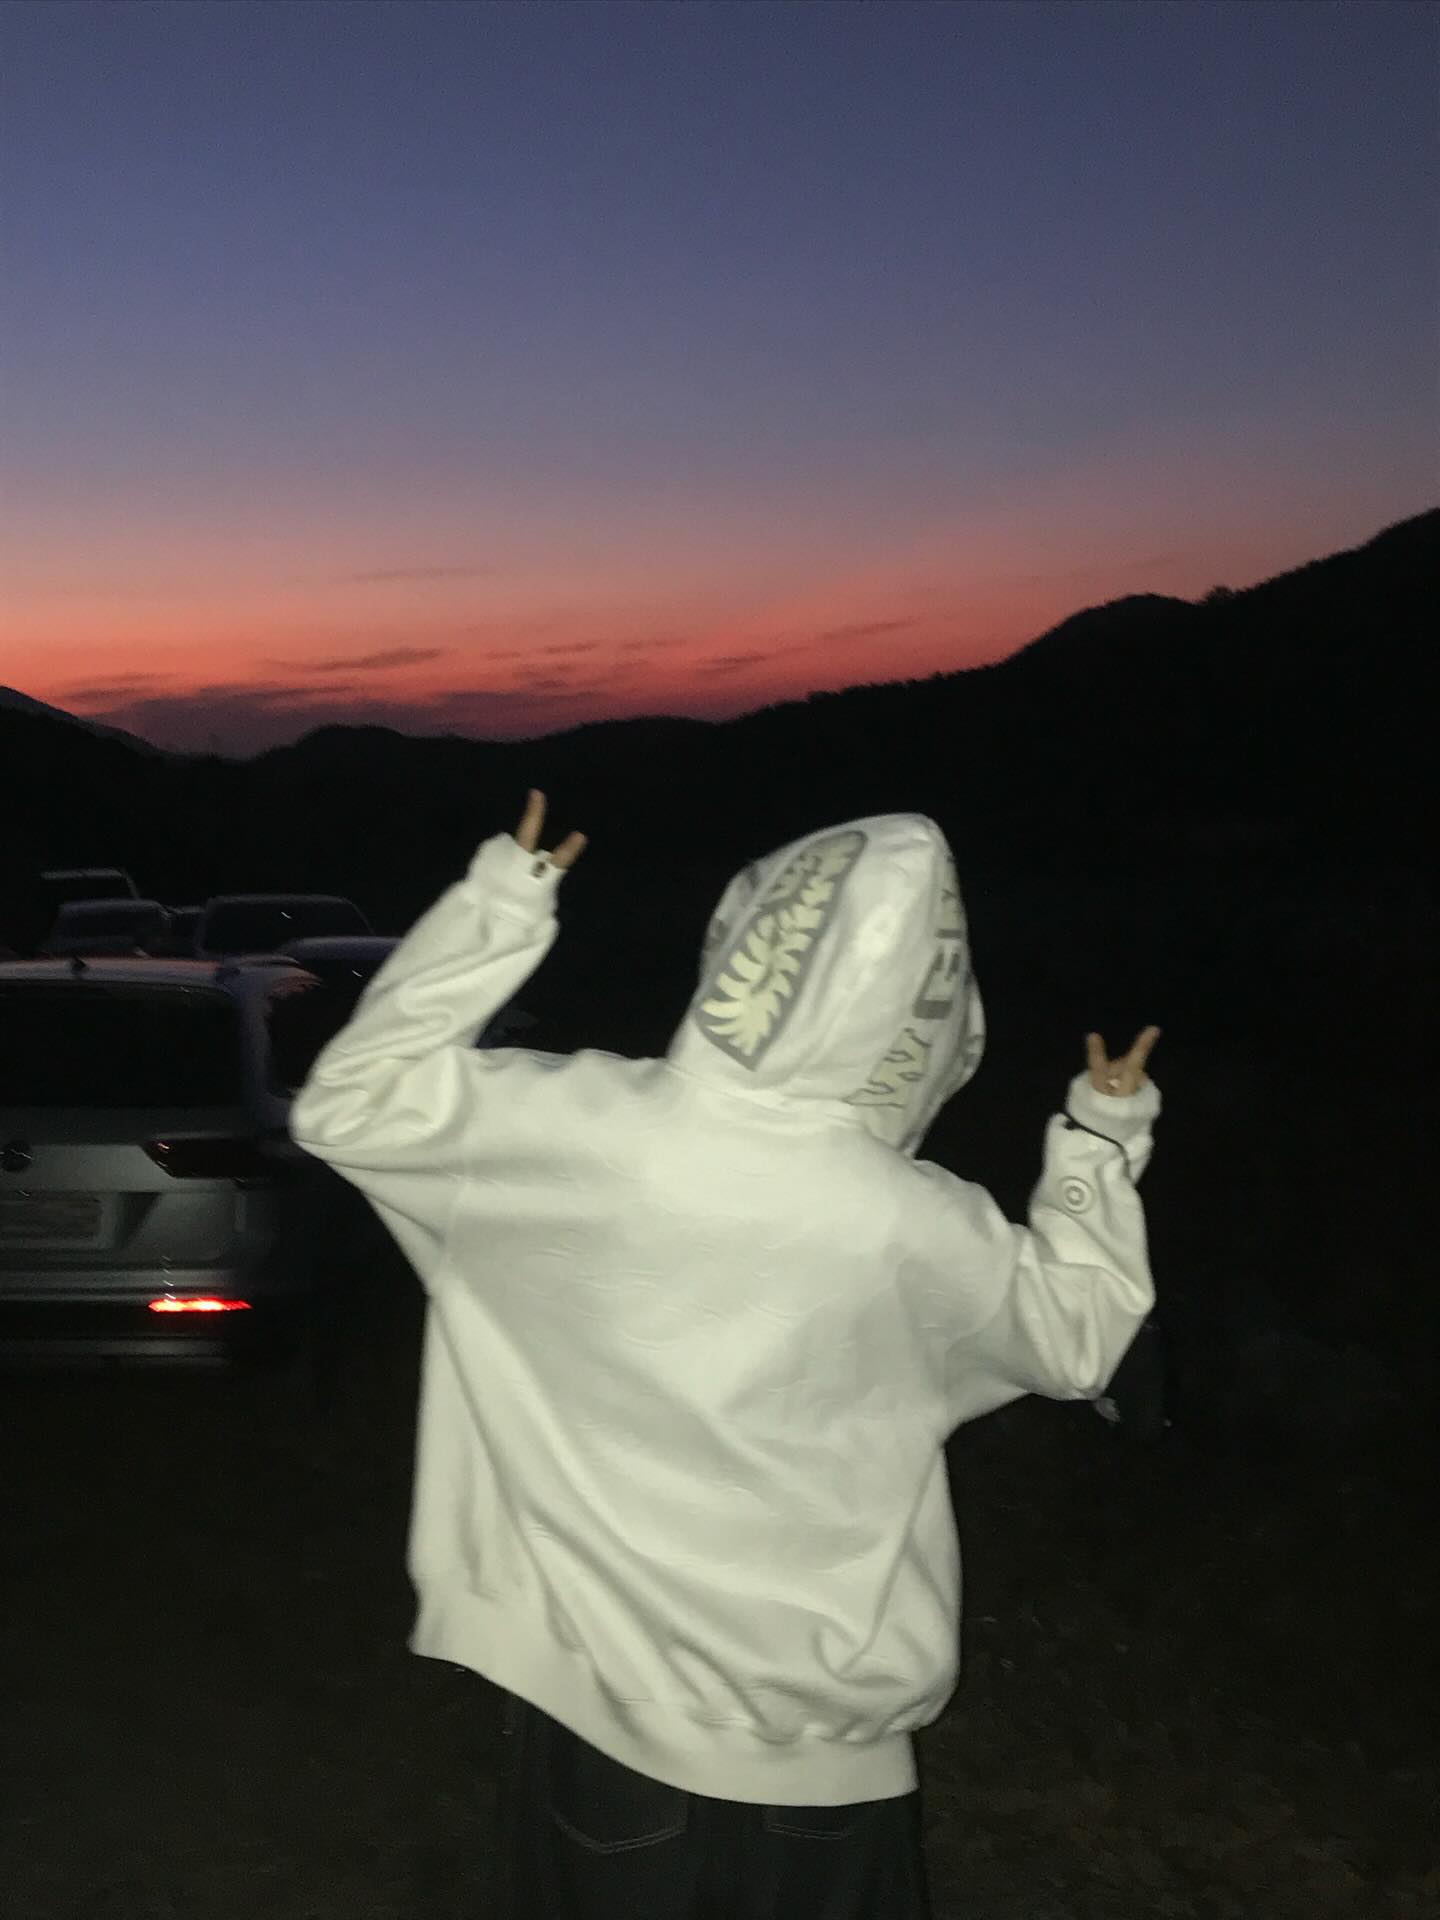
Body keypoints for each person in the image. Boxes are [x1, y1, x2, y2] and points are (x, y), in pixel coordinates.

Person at [289, 791, 1162, 1920]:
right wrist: (1098, 1143)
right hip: (840, 1773)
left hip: (608, 1732)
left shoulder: (581, 1130)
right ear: (928, 1003)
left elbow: (349, 1104)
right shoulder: (915, 1222)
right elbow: (1081, 1339)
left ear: (752, 938)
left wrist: (498, 907)